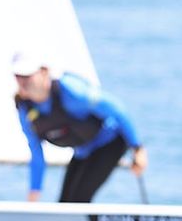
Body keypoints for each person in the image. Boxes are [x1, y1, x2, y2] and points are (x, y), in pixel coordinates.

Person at [12, 52, 148, 205]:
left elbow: (116, 108)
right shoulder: (26, 111)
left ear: (44, 72)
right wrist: (34, 193)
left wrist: (137, 149)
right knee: (64, 205)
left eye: (27, 75)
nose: (22, 81)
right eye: (18, 76)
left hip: (111, 143)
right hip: (83, 151)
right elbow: (37, 154)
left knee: (79, 201)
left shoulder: (71, 90)